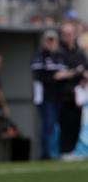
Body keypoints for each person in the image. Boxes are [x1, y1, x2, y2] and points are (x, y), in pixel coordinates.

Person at [31, 30, 71, 160]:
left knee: (57, 127)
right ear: (44, 41)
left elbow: (68, 74)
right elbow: (38, 76)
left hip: (60, 97)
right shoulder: (39, 56)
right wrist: (55, 77)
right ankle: (46, 154)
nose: (51, 43)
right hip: (46, 98)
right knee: (47, 126)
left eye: (53, 40)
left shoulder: (61, 56)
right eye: (48, 40)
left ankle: (56, 152)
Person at [59, 22, 88, 160]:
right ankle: (64, 151)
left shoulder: (79, 52)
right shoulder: (59, 52)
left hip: (78, 95)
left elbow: (84, 69)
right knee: (65, 124)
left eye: (70, 34)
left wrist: (81, 76)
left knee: (76, 123)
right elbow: (59, 74)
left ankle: (71, 151)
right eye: (66, 34)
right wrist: (77, 72)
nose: (68, 37)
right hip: (63, 95)